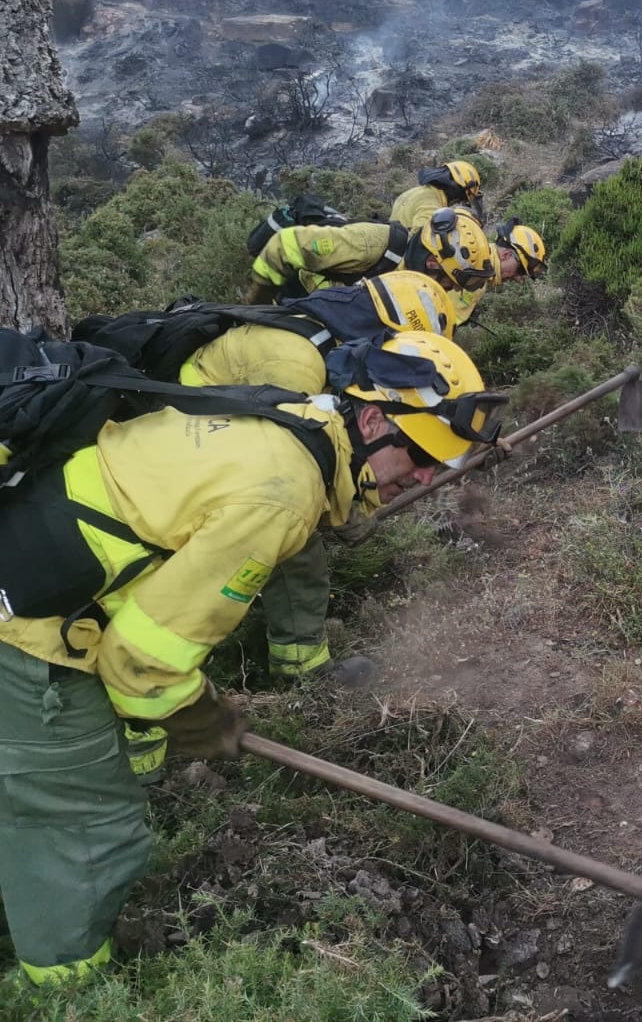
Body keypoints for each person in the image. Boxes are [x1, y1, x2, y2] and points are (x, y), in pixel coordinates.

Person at [0, 332, 504, 986]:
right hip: (29, 635)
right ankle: (66, 990)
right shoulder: (281, 492)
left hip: (32, 565)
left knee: (33, 799)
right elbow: (141, 665)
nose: (426, 476)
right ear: (374, 419)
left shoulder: (291, 419)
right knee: (90, 828)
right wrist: (207, 723)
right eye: (419, 455)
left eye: (440, 465)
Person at [117, 272, 460, 785]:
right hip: (170, 456)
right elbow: (295, 464)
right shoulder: (296, 360)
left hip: (198, 448)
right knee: (281, 539)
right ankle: (138, 752)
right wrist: (345, 513)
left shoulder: (325, 347)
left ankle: (290, 657)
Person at [245, 207, 495, 305]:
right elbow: (287, 244)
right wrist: (257, 306)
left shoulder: (410, 278)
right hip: (291, 308)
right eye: (450, 281)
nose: (450, 289)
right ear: (432, 262)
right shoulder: (372, 244)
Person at [450, 218, 549, 325]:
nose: (518, 279)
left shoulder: (474, 250)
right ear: (505, 255)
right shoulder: (476, 281)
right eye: (519, 271)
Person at [389, 160, 483, 233]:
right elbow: (420, 239)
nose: (456, 203)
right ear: (456, 189)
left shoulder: (414, 192)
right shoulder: (431, 203)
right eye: (460, 199)